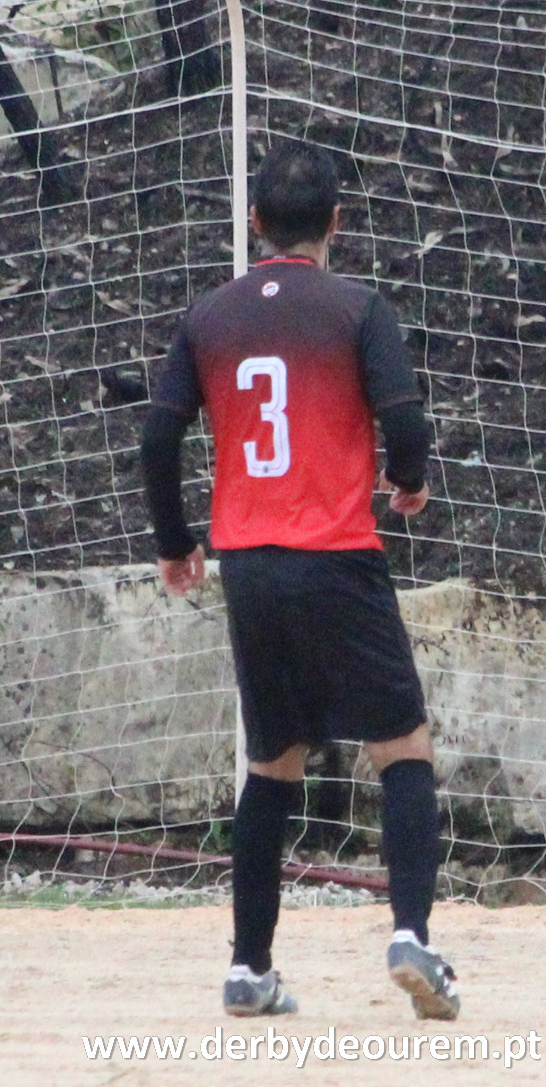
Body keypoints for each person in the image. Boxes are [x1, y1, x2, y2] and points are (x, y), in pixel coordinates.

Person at [140, 140, 453, 1021]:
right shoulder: (357, 307)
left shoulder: (209, 316)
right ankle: (412, 935)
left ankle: (249, 966)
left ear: (253, 223)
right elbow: (404, 416)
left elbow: (158, 438)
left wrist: (175, 543)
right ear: (336, 224)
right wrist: (409, 479)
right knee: (402, 745)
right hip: (337, 554)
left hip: (250, 566)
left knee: (271, 762)